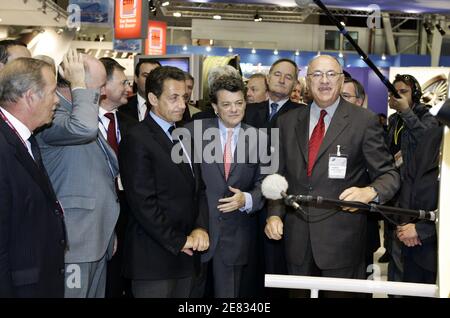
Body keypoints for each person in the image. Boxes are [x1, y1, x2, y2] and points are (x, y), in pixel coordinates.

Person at [264, 55, 400, 297]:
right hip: (296, 241)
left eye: (330, 74)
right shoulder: (286, 122)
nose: (324, 81)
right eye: (317, 74)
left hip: (342, 242)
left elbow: (389, 174)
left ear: (340, 79)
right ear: (307, 81)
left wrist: (370, 192)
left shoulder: (364, 121)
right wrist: (274, 215)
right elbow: (277, 176)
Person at [119, 66, 209, 298]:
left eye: (184, 97)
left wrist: (200, 227)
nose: (181, 104)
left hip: (186, 256)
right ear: (152, 99)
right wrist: (179, 241)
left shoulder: (184, 136)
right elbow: (142, 202)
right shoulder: (137, 137)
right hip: (154, 259)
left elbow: (198, 190)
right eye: (173, 98)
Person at [37, 49, 119, 298]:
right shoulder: (52, 117)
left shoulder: (81, 112)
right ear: (77, 83)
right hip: (75, 241)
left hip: (95, 236)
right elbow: (83, 129)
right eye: (99, 85)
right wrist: (80, 86)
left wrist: (109, 229)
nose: (103, 92)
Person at [187, 74, 265, 298]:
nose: (234, 110)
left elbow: (265, 183)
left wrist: (247, 199)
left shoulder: (259, 138)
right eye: (226, 104)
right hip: (196, 233)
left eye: (239, 103)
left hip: (235, 238)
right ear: (214, 107)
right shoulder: (193, 132)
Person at [0, 57, 65, 297]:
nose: (57, 101)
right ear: (30, 96)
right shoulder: (4, 146)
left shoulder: (25, 139)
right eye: (52, 92)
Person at [385, 74, 439, 284]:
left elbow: (427, 140)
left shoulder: (425, 116)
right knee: (392, 248)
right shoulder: (393, 120)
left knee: (407, 250)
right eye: (393, 93)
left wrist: (407, 112)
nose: (397, 97)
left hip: (416, 194)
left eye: (403, 92)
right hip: (394, 191)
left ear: (415, 94)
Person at [98, 57, 137, 298]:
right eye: (123, 82)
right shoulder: (78, 126)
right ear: (103, 87)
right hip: (96, 220)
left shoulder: (131, 126)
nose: (128, 89)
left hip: (128, 218)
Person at [244, 58, 305, 130]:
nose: (281, 80)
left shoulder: (303, 114)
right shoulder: (248, 111)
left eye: (288, 77)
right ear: (268, 79)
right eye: (277, 74)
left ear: (294, 84)